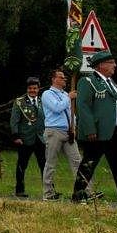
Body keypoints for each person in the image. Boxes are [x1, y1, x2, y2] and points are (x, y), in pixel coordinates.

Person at [73, 51, 117, 206]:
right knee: (89, 163)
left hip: (115, 130)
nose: (115, 65)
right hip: (98, 132)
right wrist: (90, 129)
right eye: (111, 62)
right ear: (101, 65)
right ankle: (78, 194)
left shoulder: (110, 82)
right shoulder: (88, 81)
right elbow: (83, 107)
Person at [41, 68, 81, 201]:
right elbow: (56, 108)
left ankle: (84, 190)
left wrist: (73, 127)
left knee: (77, 161)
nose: (64, 79)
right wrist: (69, 98)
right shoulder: (47, 94)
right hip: (54, 131)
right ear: (54, 79)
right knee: (51, 162)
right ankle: (48, 193)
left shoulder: (65, 94)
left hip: (68, 131)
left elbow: (71, 113)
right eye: (61, 77)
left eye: (64, 77)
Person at [9, 77, 46, 198]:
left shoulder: (43, 101)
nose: (32, 90)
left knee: (44, 165)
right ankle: (19, 190)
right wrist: (16, 136)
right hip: (25, 138)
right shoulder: (20, 102)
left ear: (38, 89)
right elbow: (14, 120)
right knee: (22, 165)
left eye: (35, 88)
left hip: (40, 138)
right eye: (30, 88)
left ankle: (49, 190)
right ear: (27, 89)